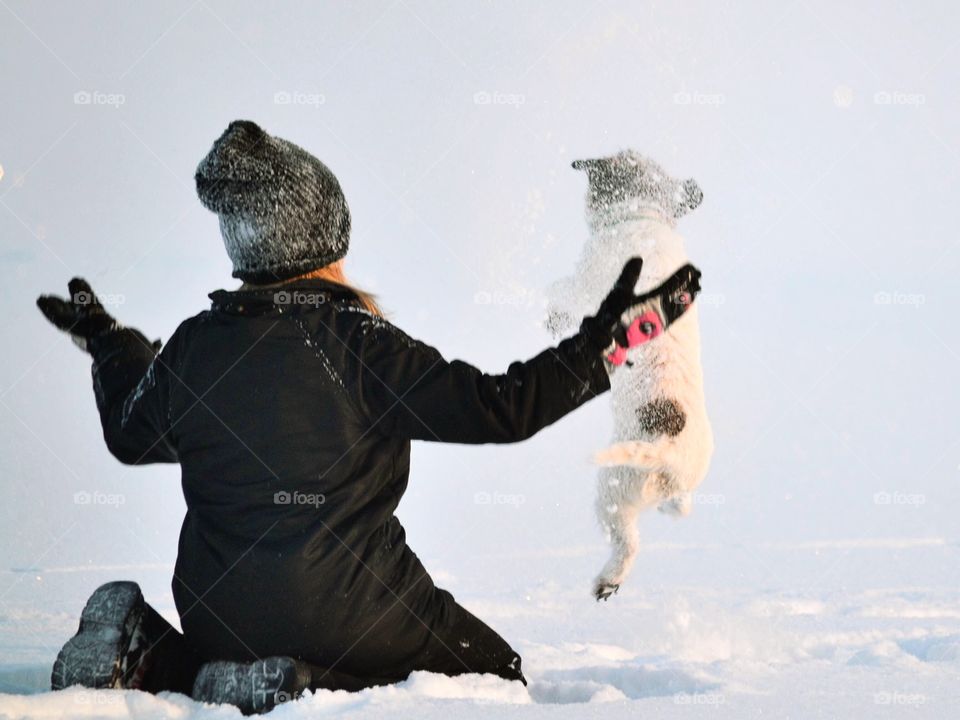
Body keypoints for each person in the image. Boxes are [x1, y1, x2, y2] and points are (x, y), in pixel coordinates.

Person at [37, 120, 702, 714]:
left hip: (216, 613)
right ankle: (297, 687)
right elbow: (502, 409)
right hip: (348, 608)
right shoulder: (357, 343)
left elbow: (131, 432)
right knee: (496, 677)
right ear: (324, 239)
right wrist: (602, 347)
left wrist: (107, 339)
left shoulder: (197, 344)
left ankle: (156, 654)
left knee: (248, 648)